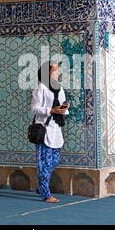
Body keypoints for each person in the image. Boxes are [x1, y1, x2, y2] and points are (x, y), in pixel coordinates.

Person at [31, 61, 70, 203]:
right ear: (47, 72)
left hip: (56, 127)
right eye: (55, 70)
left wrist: (63, 108)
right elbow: (34, 109)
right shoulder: (40, 88)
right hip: (44, 129)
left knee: (54, 161)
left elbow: (63, 107)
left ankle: (41, 186)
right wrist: (51, 110)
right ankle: (46, 194)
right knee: (44, 162)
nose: (57, 72)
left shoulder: (60, 88)